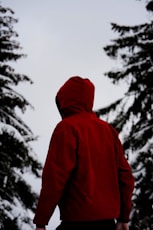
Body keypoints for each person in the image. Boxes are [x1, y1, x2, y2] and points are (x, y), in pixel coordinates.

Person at [33, 76, 134, 230]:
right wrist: (123, 218)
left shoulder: (66, 128)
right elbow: (125, 176)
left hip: (76, 223)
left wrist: (41, 221)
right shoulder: (109, 131)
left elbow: (54, 178)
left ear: (64, 101)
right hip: (108, 224)